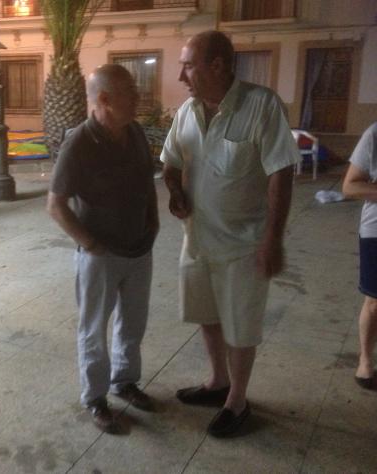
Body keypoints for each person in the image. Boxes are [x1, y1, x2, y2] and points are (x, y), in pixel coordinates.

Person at [161, 30, 300, 437]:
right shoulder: (187, 112)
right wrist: (175, 192)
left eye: (188, 65)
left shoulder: (262, 105)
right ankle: (218, 381)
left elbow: (281, 174)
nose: (181, 75)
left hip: (245, 243)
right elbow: (170, 163)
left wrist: (273, 239)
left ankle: (237, 401)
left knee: (240, 326)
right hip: (197, 240)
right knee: (207, 315)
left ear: (218, 65)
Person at [47, 64, 159, 434]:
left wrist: (153, 221)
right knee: (93, 329)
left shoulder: (135, 132)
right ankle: (95, 398)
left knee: (133, 322)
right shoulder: (79, 143)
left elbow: (147, 180)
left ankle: (124, 381)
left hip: (139, 248)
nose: (138, 98)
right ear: (106, 99)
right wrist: (91, 244)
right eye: (131, 92)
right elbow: (55, 205)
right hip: (101, 256)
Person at [342, 122, 377, 391]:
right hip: (376, 231)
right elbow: (350, 186)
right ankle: (365, 360)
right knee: (375, 301)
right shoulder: (375, 134)